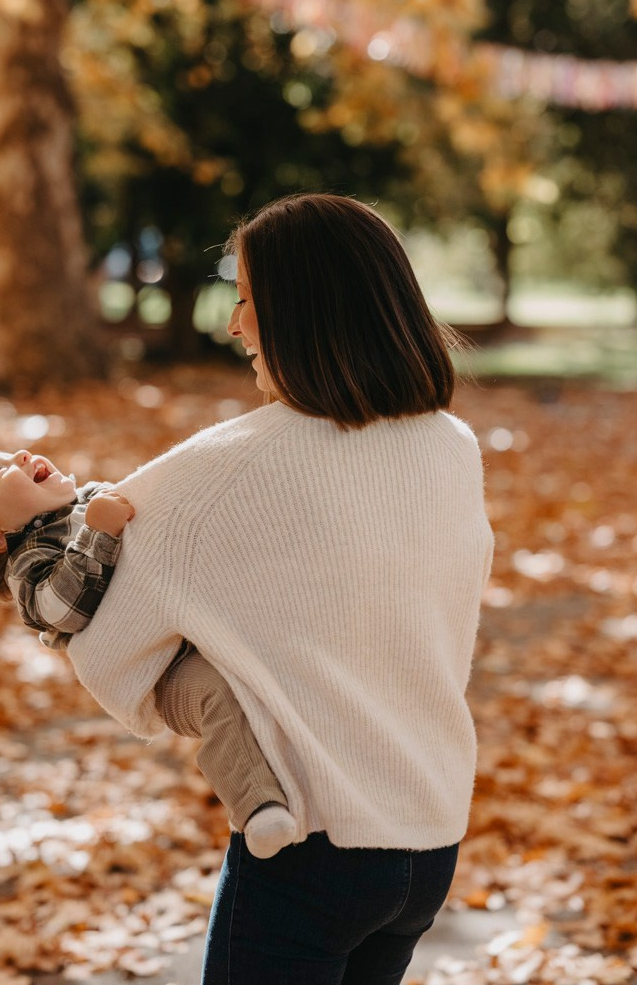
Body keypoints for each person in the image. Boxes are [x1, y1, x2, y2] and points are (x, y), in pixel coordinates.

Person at [67, 193, 494, 984]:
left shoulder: (219, 470)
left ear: (301, 310)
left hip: (311, 847)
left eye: (246, 299)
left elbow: (108, 653)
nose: (234, 326)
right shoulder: (453, 448)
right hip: (430, 839)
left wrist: (206, 691)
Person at [0, 449, 297, 859]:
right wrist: (99, 534)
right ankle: (258, 806)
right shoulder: (28, 563)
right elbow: (64, 610)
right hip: (164, 673)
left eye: (8, 454)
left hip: (198, 625)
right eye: (1, 471)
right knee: (219, 697)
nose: (21, 454)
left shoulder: (92, 497)